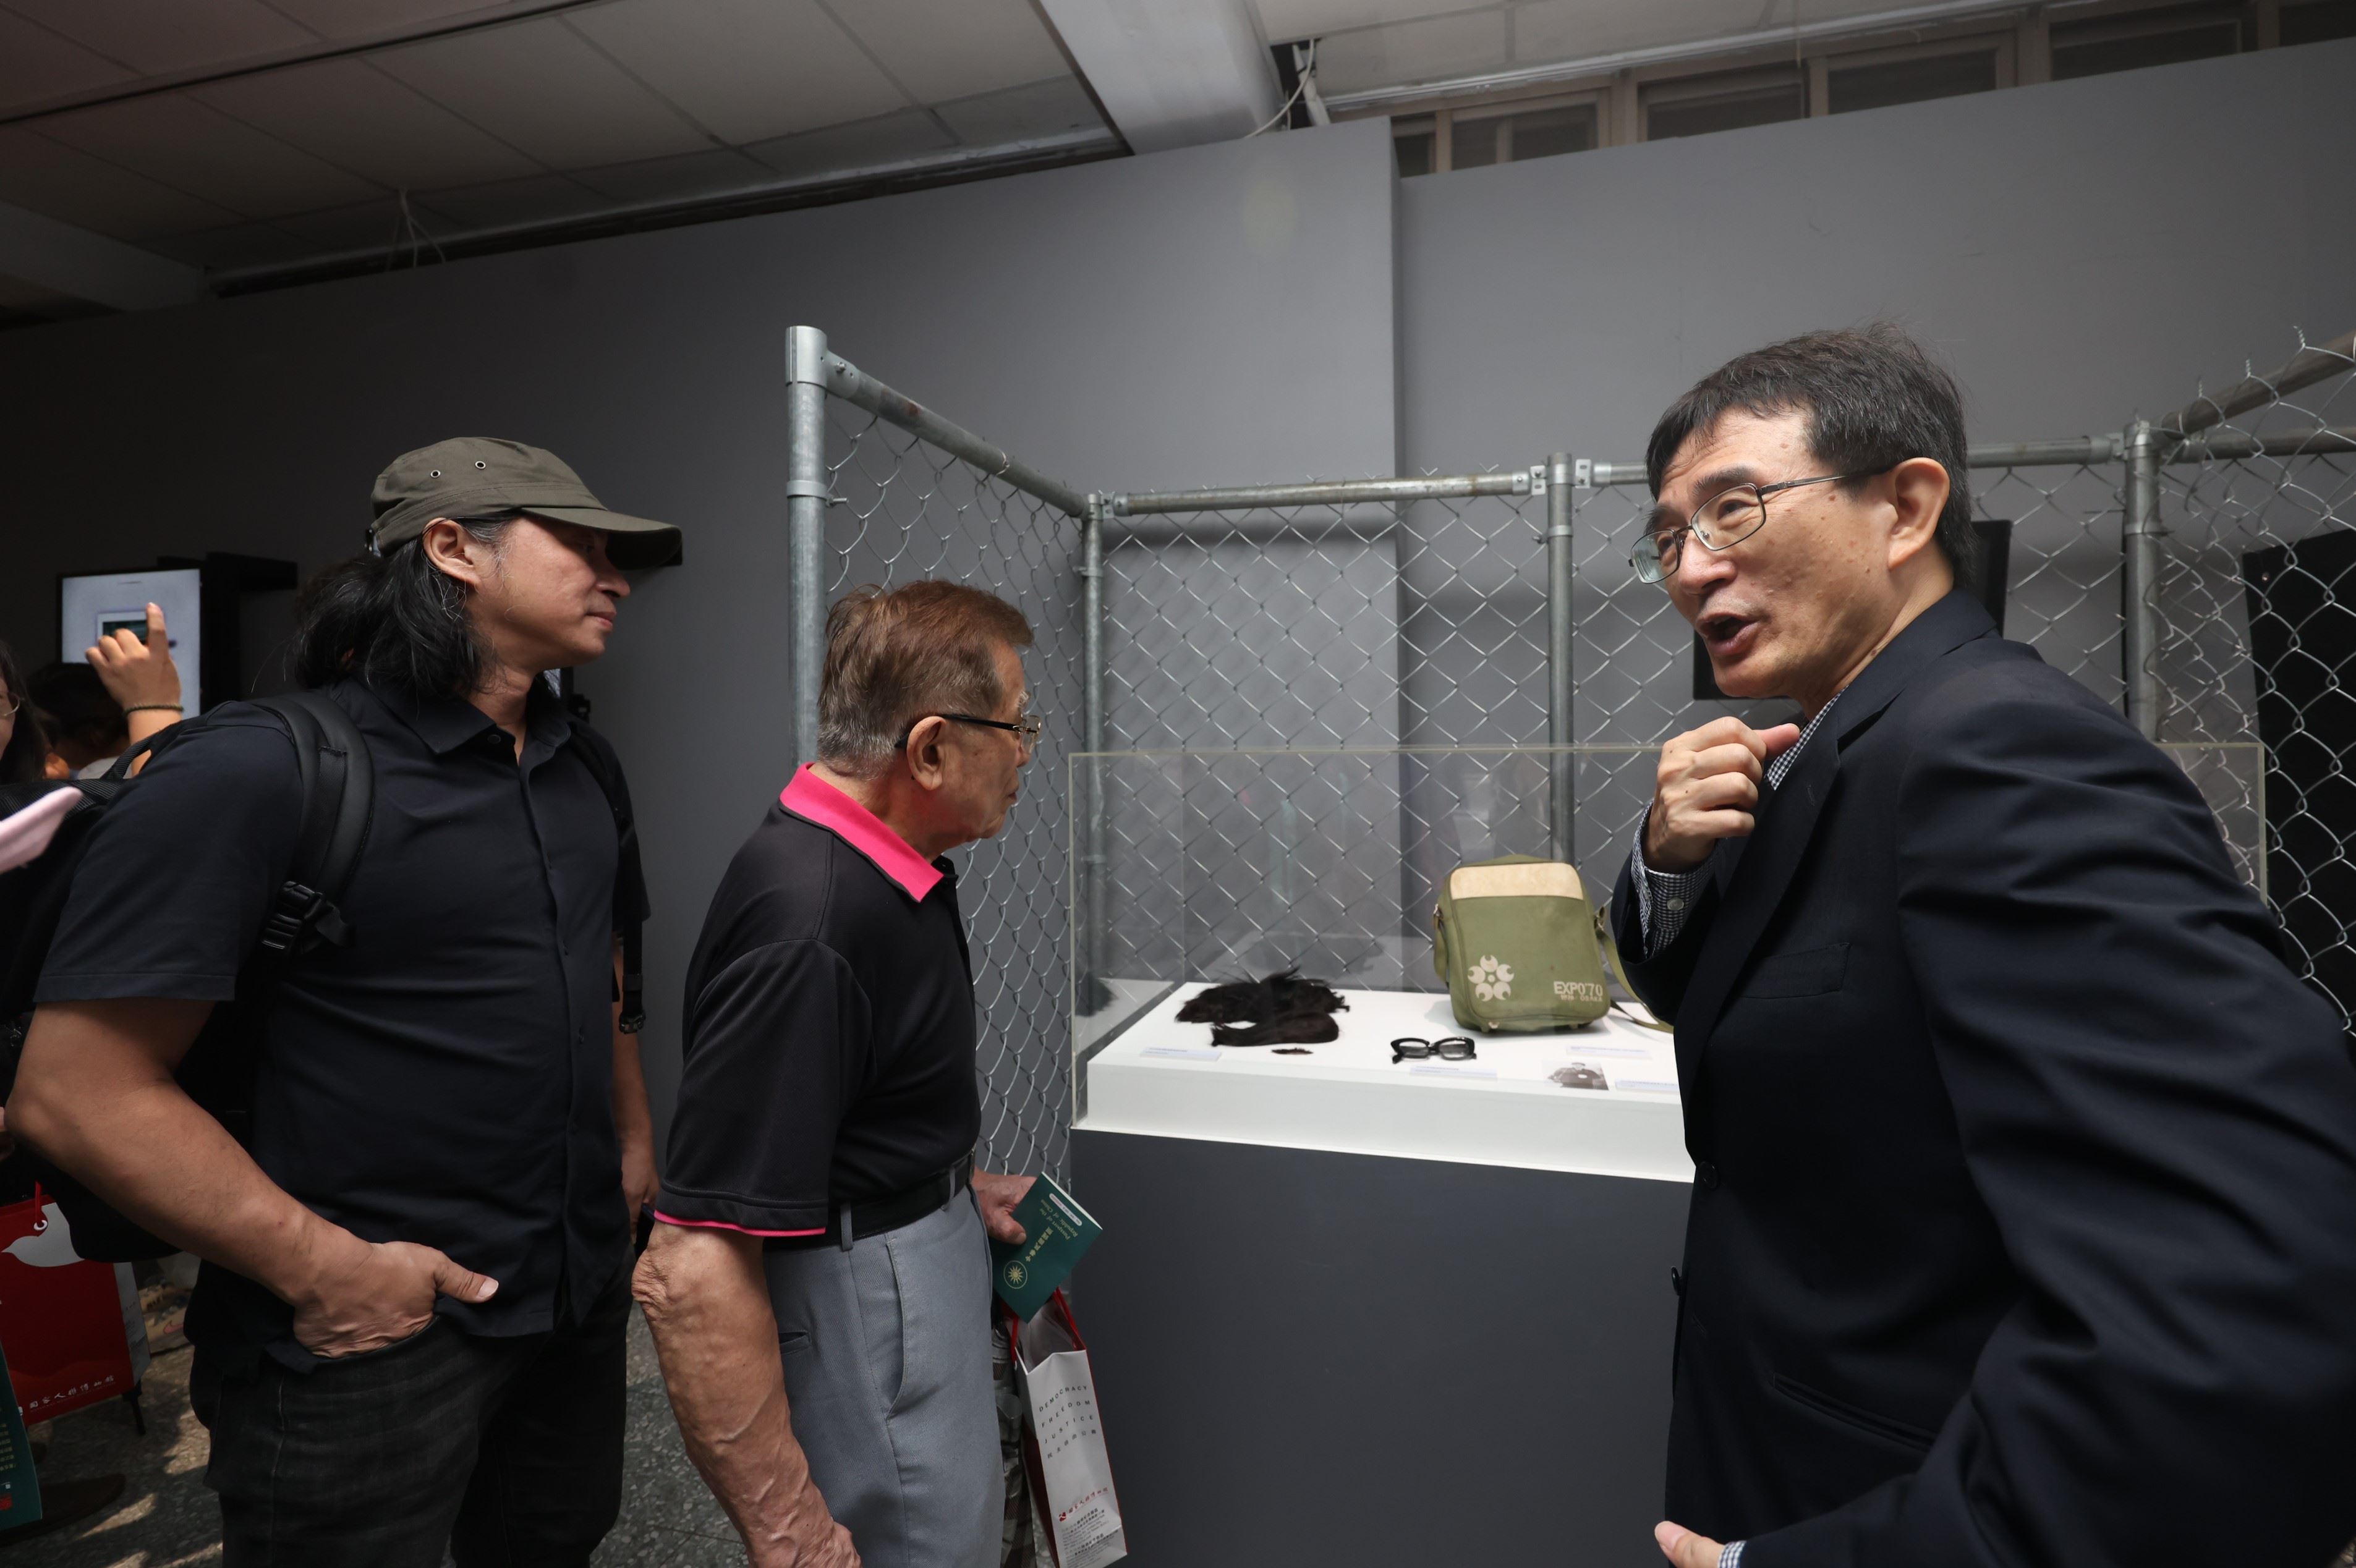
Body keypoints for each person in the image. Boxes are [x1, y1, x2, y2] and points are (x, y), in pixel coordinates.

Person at [1611, 326, 2356, 1568]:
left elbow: (2239, 1304)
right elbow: (1731, 990)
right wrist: (1665, 859)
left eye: (1733, 510)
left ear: (1904, 508)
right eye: (1668, 537)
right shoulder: (1836, 740)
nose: (1691, 568)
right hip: (1796, 1451)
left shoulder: (1998, 751)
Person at [7, 436, 683, 1566]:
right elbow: (75, 1093)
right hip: (368, 1337)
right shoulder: (260, 767)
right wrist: (330, 1272)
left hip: (568, 1292)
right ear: (453, 547)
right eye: (584, 545)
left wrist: (631, 1137)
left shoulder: (582, 762)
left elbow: (601, 955)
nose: (616, 576)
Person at [636, 580, 1043, 1568]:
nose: (1027, 752)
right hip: (872, 1312)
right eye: (1017, 726)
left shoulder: (880, 865)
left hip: (907, 1263)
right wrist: (796, 1536)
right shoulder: (813, 923)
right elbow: (690, 1267)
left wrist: (941, 1183)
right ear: (931, 748)